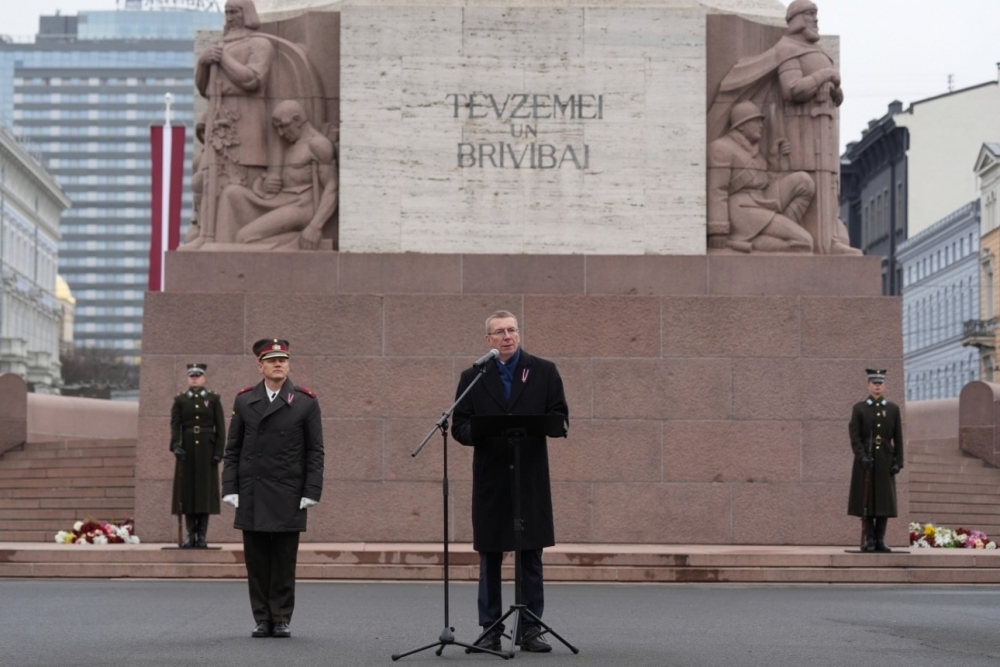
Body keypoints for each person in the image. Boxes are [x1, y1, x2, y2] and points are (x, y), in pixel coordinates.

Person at [452, 311, 569, 653]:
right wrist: (482, 430)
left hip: (529, 476)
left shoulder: (544, 371)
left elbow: (560, 416)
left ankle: (530, 628)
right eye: (500, 332)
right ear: (488, 340)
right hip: (492, 478)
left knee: (530, 553)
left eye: (512, 330)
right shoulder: (473, 376)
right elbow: (460, 425)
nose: (507, 336)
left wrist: (547, 424)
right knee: (490, 555)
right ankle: (490, 628)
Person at [222, 339, 324, 638]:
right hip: (253, 489)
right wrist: (230, 486)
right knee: (256, 561)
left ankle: (280, 617)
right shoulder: (244, 401)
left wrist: (311, 490)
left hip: (288, 491)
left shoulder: (305, 401)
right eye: (272, 360)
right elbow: (233, 448)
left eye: (283, 359)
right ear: (260, 365)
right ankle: (261, 618)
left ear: (288, 364)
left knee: (282, 560)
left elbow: (315, 451)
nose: (278, 364)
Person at [214, 100, 338, 248]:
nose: (280, 133)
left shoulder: (318, 144)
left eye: (283, 126)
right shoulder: (296, 144)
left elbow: (332, 186)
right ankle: (220, 246)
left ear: (297, 120)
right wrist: (264, 183)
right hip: (282, 200)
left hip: (301, 206)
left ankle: (295, 240)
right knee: (230, 193)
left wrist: (315, 226)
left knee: (243, 237)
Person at [707, 100, 815, 253]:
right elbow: (717, 189)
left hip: (762, 201)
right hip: (742, 210)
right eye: (755, 121)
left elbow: (764, 181)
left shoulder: (754, 151)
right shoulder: (721, 148)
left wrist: (773, 158)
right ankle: (757, 243)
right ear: (742, 125)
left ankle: (778, 228)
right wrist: (718, 229)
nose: (761, 125)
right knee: (805, 242)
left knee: (804, 182)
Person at [170, 363, 226, 548]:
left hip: (206, 452)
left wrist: (218, 451)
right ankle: (190, 535)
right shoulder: (180, 400)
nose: (194, 378)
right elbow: (175, 426)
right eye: (191, 375)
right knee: (186, 494)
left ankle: (201, 535)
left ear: (204, 378)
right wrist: (176, 446)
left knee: (204, 494)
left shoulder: (213, 399)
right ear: (188, 378)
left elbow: (220, 428)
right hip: (186, 451)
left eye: (198, 375)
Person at [848, 368, 904, 553]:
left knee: (884, 502)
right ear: (868, 385)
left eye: (880, 383)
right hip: (866, 461)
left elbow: (898, 437)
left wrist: (898, 460)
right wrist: (862, 456)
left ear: (885, 386)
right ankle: (870, 539)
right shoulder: (860, 408)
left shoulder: (893, 409)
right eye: (874, 383)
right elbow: (855, 437)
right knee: (866, 502)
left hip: (885, 461)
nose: (877, 386)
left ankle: (880, 539)